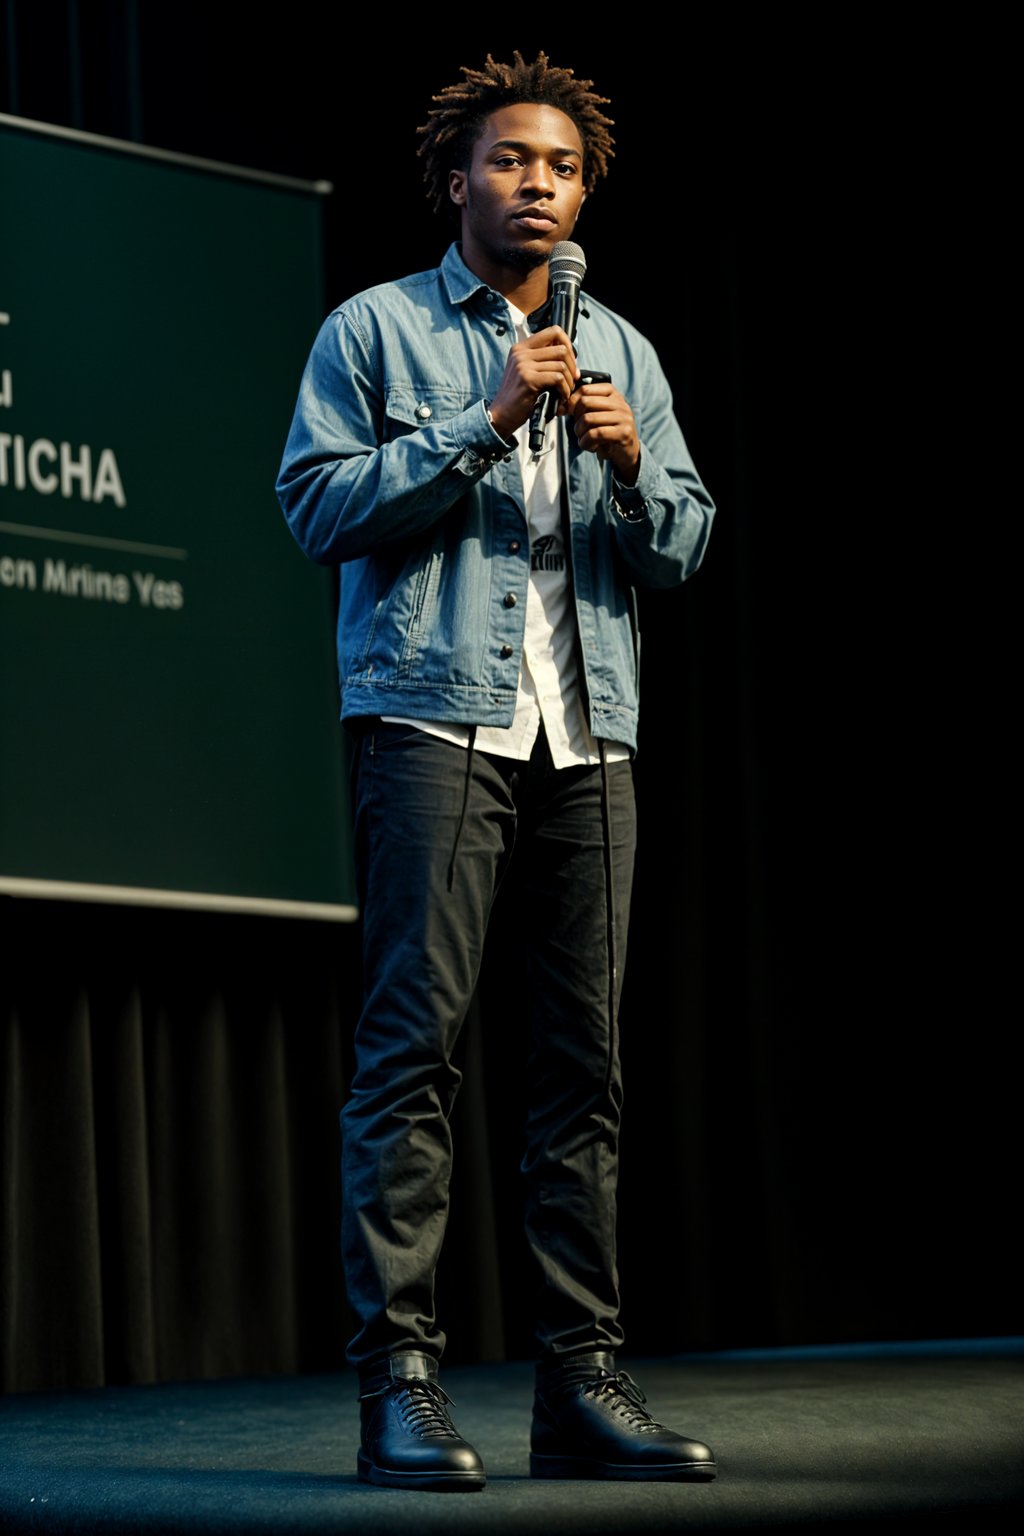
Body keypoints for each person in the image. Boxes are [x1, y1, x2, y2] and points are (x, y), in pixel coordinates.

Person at [276, 49, 716, 1492]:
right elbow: (315, 505)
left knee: (583, 1065)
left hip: (590, 733)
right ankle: (397, 1383)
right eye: (512, 162)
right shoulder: (376, 333)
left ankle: (580, 1380)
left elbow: (690, 541)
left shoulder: (625, 353)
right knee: (413, 1056)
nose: (539, 185)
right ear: (456, 178)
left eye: (563, 168)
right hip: (433, 726)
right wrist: (486, 424)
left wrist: (635, 469)